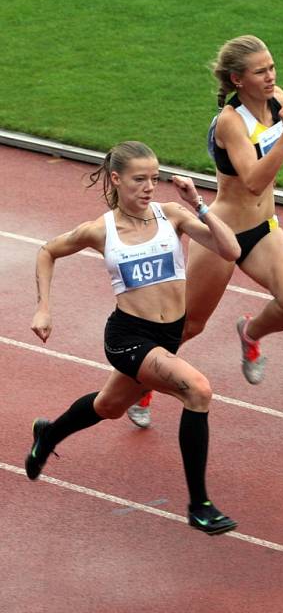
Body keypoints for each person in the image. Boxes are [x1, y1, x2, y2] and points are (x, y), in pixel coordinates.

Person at [25, 140, 240, 536]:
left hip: (168, 335)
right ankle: (200, 505)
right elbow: (46, 251)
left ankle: (49, 433)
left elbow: (230, 250)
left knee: (108, 406)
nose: (148, 188)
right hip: (128, 338)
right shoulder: (100, 231)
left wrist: (200, 205)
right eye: (140, 179)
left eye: (154, 179)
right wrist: (43, 307)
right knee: (198, 390)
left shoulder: (172, 216)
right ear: (116, 180)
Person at [182, 34, 283, 384]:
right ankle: (140, 384)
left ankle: (250, 333)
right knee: (189, 326)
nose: (271, 76)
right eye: (260, 71)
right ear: (237, 80)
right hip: (221, 234)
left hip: (263, 229)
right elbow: (253, 182)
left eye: (272, 67)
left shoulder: (276, 101)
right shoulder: (231, 122)